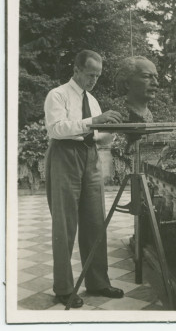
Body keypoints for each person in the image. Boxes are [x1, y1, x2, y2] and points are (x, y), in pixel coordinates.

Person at [44, 50, 124, 308]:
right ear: (77, 69)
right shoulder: (57, 95)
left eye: (98, 76)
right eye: (90, 75)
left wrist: (110, 132)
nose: (94, 81)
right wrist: (93, 122)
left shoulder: (93, 99)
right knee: (65, 225)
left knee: (95, 221)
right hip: (64, 156)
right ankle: (64, 288)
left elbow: (96, 134)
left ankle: (98, 281)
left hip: (90, 157)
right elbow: (57, 128)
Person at [115, 56, 159, 123]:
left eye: (156, 77)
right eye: (146, 76)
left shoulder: (154, 115)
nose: (155, 83)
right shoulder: (118, 116)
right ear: (127, 84)